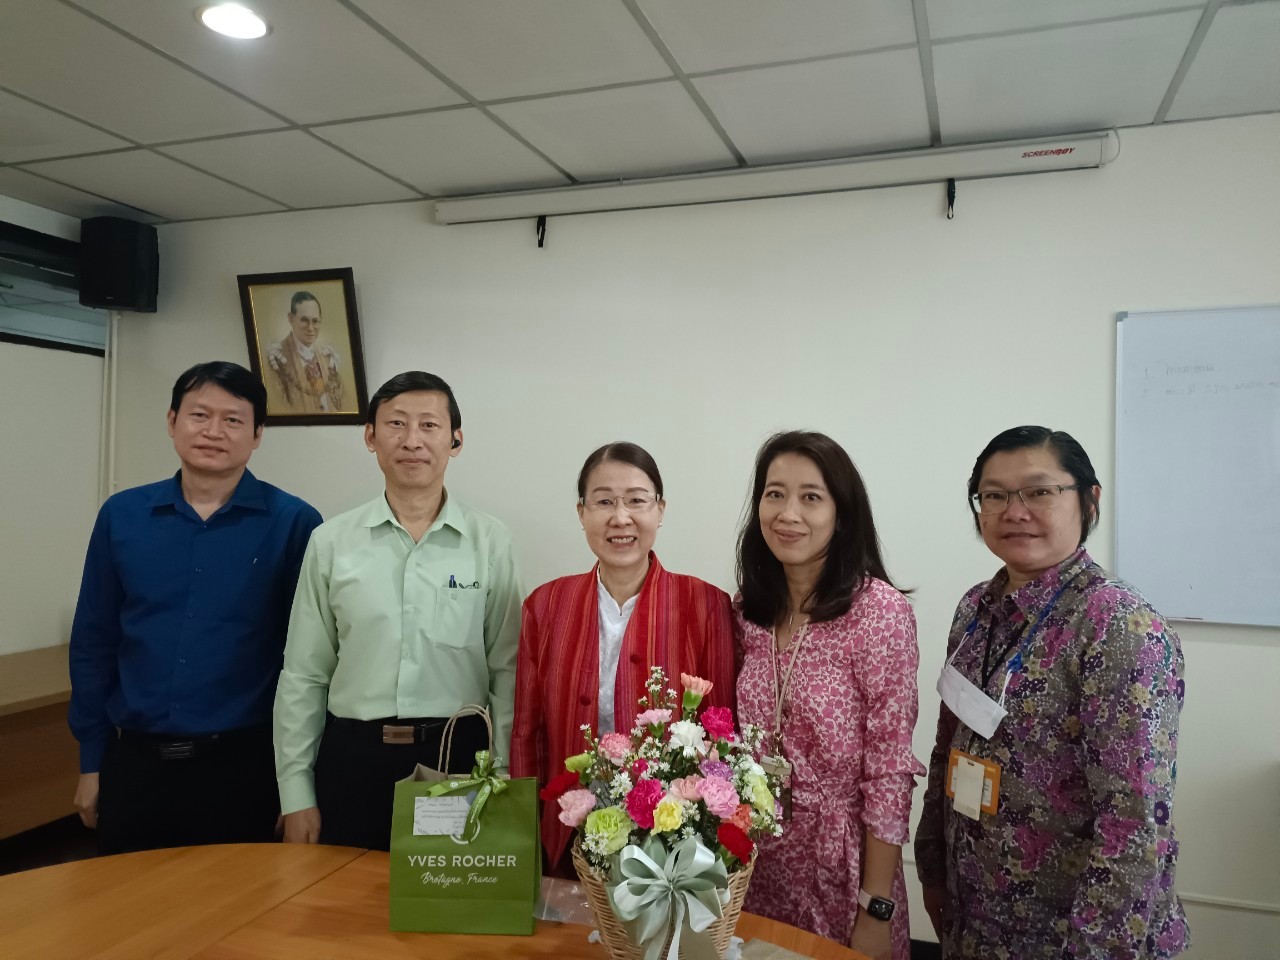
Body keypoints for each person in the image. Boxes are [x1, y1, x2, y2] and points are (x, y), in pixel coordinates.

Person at [914, 426, 1189, 959]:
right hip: (976, 911)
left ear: (1089, 500)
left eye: (1039, 491)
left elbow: (1135, 823)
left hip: (1066, 932)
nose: (1014, 512)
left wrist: (1095, 949)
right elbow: (949, 746)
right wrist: (932, 865)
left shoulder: (1117, 626)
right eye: (994, 495)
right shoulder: (976, 608)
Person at [67, 361, 322, 853]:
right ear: (172, 422)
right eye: (199, 415)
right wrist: (91, 761)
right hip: (134, 761)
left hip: (246, 765)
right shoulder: (122, 516)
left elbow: (309, 662)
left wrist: (296, 782)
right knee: (125, 898)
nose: (213, 431)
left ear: (257, 434)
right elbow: (94, 641)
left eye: (233, 420)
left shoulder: (295, 523)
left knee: (241, 900)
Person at [274, 370, 523, 851]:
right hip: (352, 758)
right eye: (396, 424)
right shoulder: (330, 542)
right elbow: (303, 675)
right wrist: (295, 791)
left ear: (455, 440)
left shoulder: (490, 542)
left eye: (429, 425)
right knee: (340, 894)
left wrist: (504, 775)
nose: (412, 440)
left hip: (455, 757)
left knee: (444, 893)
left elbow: (507, 672)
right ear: (370, 436)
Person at [734, 431, 922, 960]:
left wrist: (875, 909)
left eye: (811, 497)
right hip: (758, 864)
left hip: (843, 870)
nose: (788, 513)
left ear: (841, 514)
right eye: (774, 494)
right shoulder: (748, 610)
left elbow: (889, 770)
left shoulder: (878, 613)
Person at [511, 442, 735, 875]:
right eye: (604, 502)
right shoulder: (545, 605)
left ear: (660, 509)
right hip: (565, 836)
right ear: (581, 513)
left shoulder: (705, 605)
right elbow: (527, 733)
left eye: (636, 500)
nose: (620, 517)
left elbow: (722, 735)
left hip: (671, 844)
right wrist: (526, 837)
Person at [264, 291, 347, 414]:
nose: (310, 328)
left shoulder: (327, 358)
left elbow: (341, 403)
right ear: (291, 319)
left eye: (315, 321)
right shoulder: (276, 358)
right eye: (304, 320)